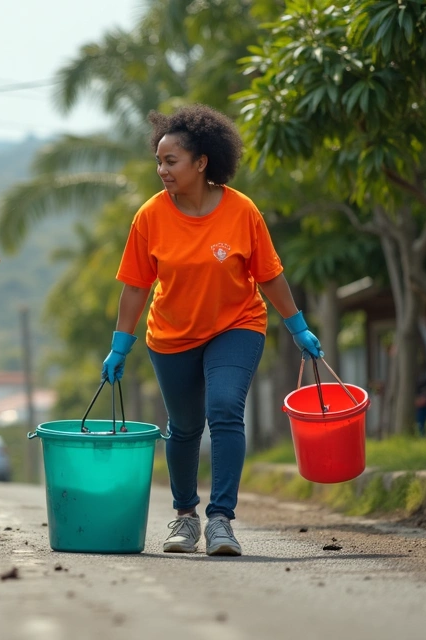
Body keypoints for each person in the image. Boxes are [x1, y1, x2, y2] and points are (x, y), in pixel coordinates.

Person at [101, 104, 322, 557]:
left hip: (235, 325)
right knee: (183, 427)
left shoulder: (241, 211)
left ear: (202, 163)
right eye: (159, 161)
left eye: (171, 161)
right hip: (172, 335)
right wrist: (120, 346)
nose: (162, 170)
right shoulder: (150, 216)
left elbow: (270, 275)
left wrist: (297, 327)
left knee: (224, 409)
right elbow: (135, 287)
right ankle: (185, 517)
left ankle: (221, 519)